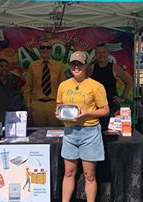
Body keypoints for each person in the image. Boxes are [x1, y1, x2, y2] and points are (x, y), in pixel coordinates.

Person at [56, 51, 110, 202]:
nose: (76, 67)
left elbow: (105, 110)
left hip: (90, 132)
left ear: (85, 65)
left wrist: (87, 113)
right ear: (70, 65)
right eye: (73, 63)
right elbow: (59, 104)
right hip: (70, 132)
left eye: (79, 64)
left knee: (90, 175)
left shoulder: (96, 86)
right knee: (68, 172)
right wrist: (58, 111)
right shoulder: (63, 85)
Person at [86, 42, 132, 130]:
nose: (101, 55)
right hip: (95, 107)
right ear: (95, 55)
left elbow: (128, 82)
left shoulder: (115, 68)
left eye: (103, 52)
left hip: (111, 106)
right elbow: (85, 85)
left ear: (108, 53)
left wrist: (123, 98)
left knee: (111, 133)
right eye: (99, 52)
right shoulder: (91, 68)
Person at [24, 40, 65, 127]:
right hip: (37, 105)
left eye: (48, 47)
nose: (45, 49)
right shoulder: (33, 66)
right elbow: (28, 87)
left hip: (54, 104)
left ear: (51, 50)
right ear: (39, 50)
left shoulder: (59, 66)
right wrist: (28, 106)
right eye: (42, 47)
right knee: (38, 132)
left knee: (55, 132)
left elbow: (63, 88)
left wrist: (62, 105)